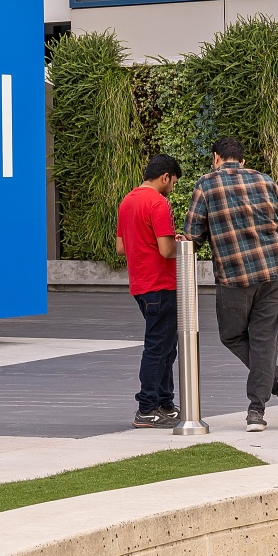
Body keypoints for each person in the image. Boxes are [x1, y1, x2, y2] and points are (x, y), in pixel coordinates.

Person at [185, 136, 278, 432]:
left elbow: (192, 234)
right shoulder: (265, 180)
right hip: (274, 271)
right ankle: (263, 406)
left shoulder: (207, 184)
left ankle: (268, 402)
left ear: (216, 158)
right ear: (242, 159)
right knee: (263, 339)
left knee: (231, 336)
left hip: (235, 276)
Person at [116, 153, 182, 428]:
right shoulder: (158, 203)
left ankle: (164, 402)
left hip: (140, 284)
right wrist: (183, 244)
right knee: (158, 347)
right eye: (174, 182)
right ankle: (146, 408)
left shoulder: (127, 201)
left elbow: (121, 248)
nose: (173, 187)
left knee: (166, 346)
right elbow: (167, 250)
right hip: (161, 284)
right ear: (165, 176)